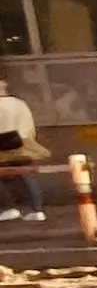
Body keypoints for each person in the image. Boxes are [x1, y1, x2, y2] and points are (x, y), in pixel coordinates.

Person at [0, 74, 44, 221]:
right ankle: (37, 210)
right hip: (25, 145)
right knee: (27, 176)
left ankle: (8, 208)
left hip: (4, 146)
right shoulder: (20, 103)